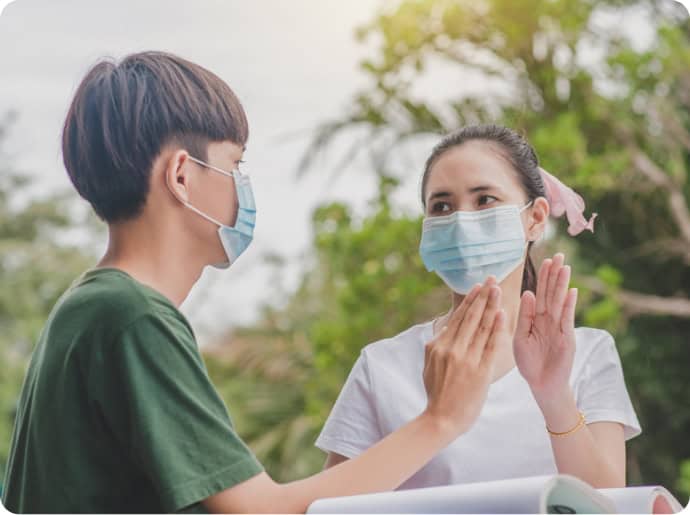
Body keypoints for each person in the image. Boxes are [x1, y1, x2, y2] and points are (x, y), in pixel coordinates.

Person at [2, 53, 506, 514]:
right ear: (182, 175)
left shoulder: (90, 308)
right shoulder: (133, 317)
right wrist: (441, 419)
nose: (244, 184)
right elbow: (261, 511)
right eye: (234, 164)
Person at [317, 124, 641, 490]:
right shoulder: (380, 366)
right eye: (441, 206)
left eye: (484, 199)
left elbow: (611, 505)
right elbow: (328, 506)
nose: (460, 221)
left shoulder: (587, 353)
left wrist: (554, 395)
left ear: (534, 219)